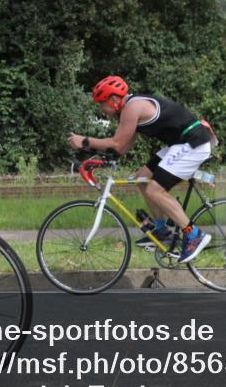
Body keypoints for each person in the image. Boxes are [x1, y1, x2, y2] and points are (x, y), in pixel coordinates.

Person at [68, 76, 214, 263]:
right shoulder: (128, 110)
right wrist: (98, 160)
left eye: (101, 104)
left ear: (113, 99)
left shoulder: (132, 107)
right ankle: (161, 231)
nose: (101, 109)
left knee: (155, 190)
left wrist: (85, 141)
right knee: (142, 179)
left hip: (193, 142)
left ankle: (193, 234)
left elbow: (116, 143)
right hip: (180, 144)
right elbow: (121, 148)